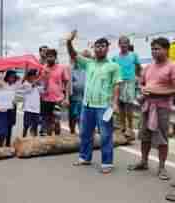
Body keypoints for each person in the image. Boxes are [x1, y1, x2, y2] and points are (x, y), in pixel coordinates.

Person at [67, 30, 120, 174]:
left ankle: (107, 162)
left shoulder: (113, 66)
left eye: (103, 46)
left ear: (107, 48)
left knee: (106, 135)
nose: (100, 48)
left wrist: (115, 103)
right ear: (94, 48)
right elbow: (73, 55)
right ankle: (84, 157)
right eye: (97, 46)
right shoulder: (88, 63)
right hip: (87, 105)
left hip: (104, 106)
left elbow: (116, 85)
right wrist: (68, 42)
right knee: (85, 133)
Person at [127, 38, 175, 182]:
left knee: (162, 139)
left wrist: (157, 93)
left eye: (157, 49)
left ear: (166, 50)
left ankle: (161, 167)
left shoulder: (172, 66)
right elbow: (142, 83)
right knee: (144, 136)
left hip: (162, 108)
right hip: (147, 107)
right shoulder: (148, 67)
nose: (154, 51)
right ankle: (144, 162)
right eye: (153, 49)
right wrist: (143, 89)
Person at [112, 36, 141, 139]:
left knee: (129, 106)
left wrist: (137, 78)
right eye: (122, 43)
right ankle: (122, 126)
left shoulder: (134, 55)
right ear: (119, 45)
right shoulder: (115, 58)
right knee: (120, 106)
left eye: (126, 43)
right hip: (119, 82)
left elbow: (139, 68)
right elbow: (112, 70)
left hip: (130, 82)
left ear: (128, 44)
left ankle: (130, 127)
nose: (124, 45)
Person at [40, 48, 70, 136]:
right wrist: (45, 76)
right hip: (46, 99)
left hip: (58, 99)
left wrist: (67, 98)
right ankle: (50, 141)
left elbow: (67, 83)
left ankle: (57, 139)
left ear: (55, 57)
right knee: (48, 121)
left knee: (56, 121)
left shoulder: (61, 68)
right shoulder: (43, 68)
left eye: (51, 56)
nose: (49, 58)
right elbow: (41, 84)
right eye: (48, 57)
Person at [17, 70, 43, 137]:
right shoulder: (26, 84)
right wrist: (39, 79)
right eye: (31, 76)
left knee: (35, 126)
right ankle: (23, 139)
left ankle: (35, 140)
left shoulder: (37, 85)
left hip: (36, 109)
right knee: (26, 126)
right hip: (28, 109)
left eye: (34, 76)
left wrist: (40, 82)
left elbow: (43, 90)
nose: (33, 78)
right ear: (28, 77)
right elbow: (29, 88)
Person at [69, 50, 89, 135]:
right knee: (72, 116)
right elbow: (67, 83)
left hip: (83, 98)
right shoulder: (70, 70)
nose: (76, 61)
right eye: (74, 60)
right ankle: (72, 131)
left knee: (82, 116)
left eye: (77, 59)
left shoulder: (85, 69)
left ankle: (82, 132)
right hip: (73, 98)